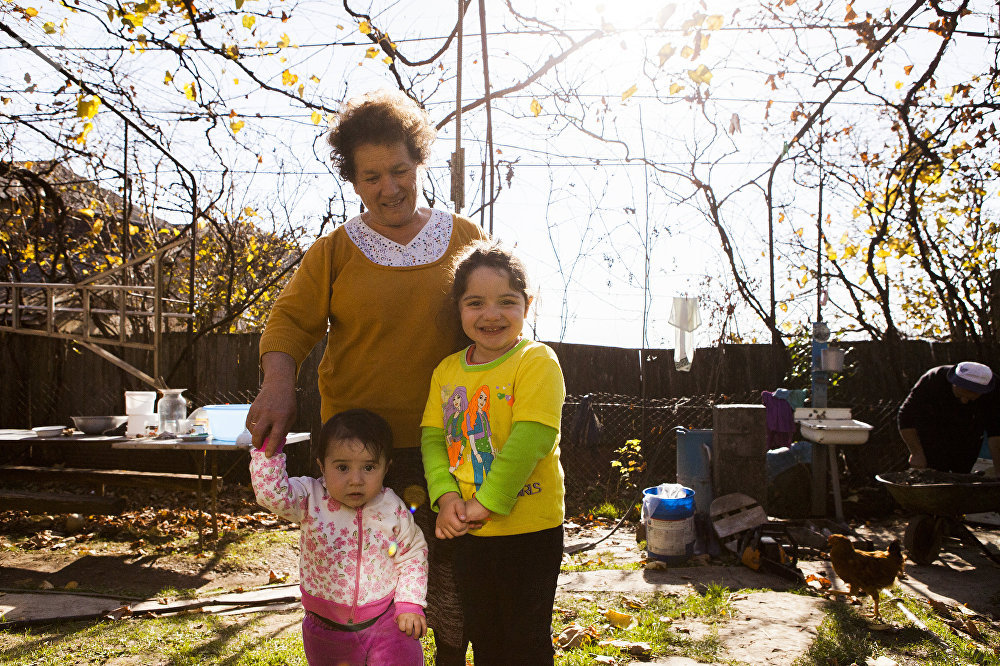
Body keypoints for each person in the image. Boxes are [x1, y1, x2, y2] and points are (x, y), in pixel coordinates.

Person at [247, 88, 488, 663]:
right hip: (358, 452)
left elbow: (501, 317)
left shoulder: (462, 238)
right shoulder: (334, 251)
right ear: (353, 182)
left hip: (449, 447)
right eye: (372, 176)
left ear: (420, 164)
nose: (390, 188)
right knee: (362, 582)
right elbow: (288, 323)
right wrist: (278, 382)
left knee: (446, 586)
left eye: (401, 170)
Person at [421, 241, 566, 664]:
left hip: (529, 531)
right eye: (475, 303)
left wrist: (486, 502)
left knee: (524, 640)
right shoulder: (447, 370)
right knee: (484, 636)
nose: (491, 314)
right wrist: (446, 499)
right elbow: (433, 439)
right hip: (468, 531)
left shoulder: (536, 360)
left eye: (507, 301)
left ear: (527, 304)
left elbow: (531, 438)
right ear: (459, 308)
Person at [250, 408, 427, 665]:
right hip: (327, 631)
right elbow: (271, 494)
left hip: (386, 622)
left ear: (386, 468)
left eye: (369, 467)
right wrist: (269, 449)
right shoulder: (310, 498)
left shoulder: (392, 507)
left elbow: (412, 554)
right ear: (322, 465)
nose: (356, 480)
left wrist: (409, 603)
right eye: (342, 467)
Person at [897, 361, 1000, 474]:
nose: (964, 401)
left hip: (968, 434)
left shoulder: (995, 390)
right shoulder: (934, 379)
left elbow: (995, 432)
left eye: (971, 398)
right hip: (933, 432)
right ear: (954, 383)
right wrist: (916, 452)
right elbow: (906, 416)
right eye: (960, 395)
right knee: (932, 475)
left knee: (962, 476)